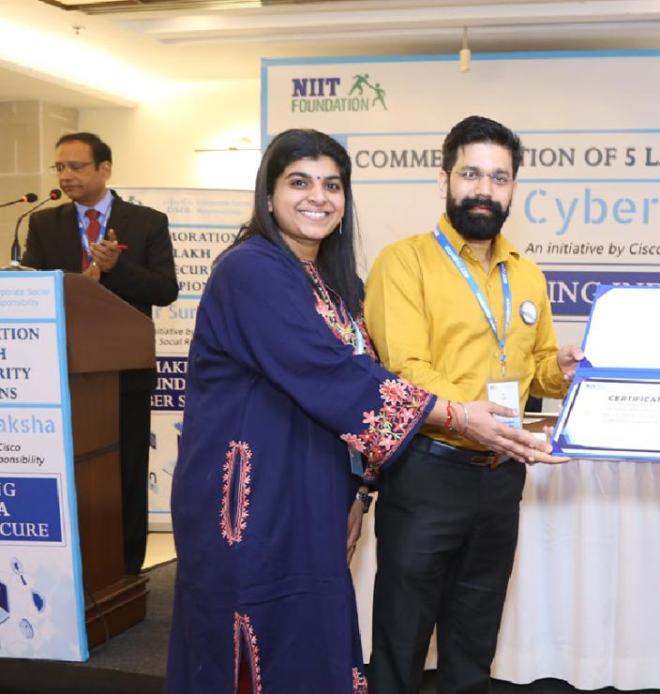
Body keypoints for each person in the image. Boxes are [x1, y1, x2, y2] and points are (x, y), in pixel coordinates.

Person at [165, 129, 559, 694]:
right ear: (268, 193)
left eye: (332, 185)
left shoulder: (331, 280)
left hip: (313, 484)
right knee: (256, 633)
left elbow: (353, 385)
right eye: (299, 182)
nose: (318, 197)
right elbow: (339, 376)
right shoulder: (250, 270)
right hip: (250, 496)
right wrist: (456, 416)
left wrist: (358, 489)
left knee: (312, 632)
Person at [364, 115, 580, 694]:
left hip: (500, 475)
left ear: (514, 188)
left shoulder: (526, 273)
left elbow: (532, 368)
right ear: (444, 180)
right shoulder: (403, 262)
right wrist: (476, 416)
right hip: (428, 471)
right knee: (402, 636)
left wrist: (557, 372)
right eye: (471, 174)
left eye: (500, 178)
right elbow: (406, 371)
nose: (485, 189)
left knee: (474, 637)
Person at [22, 131, 178, 576]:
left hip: (124, 372)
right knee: (73, 472)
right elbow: (35, 288)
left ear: (104, 169)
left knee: (125, 471)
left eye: (76, 167)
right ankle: (74, 568)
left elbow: (165, 290)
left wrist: (116, 269)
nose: (66, 175)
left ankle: (127, 573)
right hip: (63, 372)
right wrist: (80, 280)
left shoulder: (146, 221)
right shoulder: (44, 224)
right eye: (60, 168)